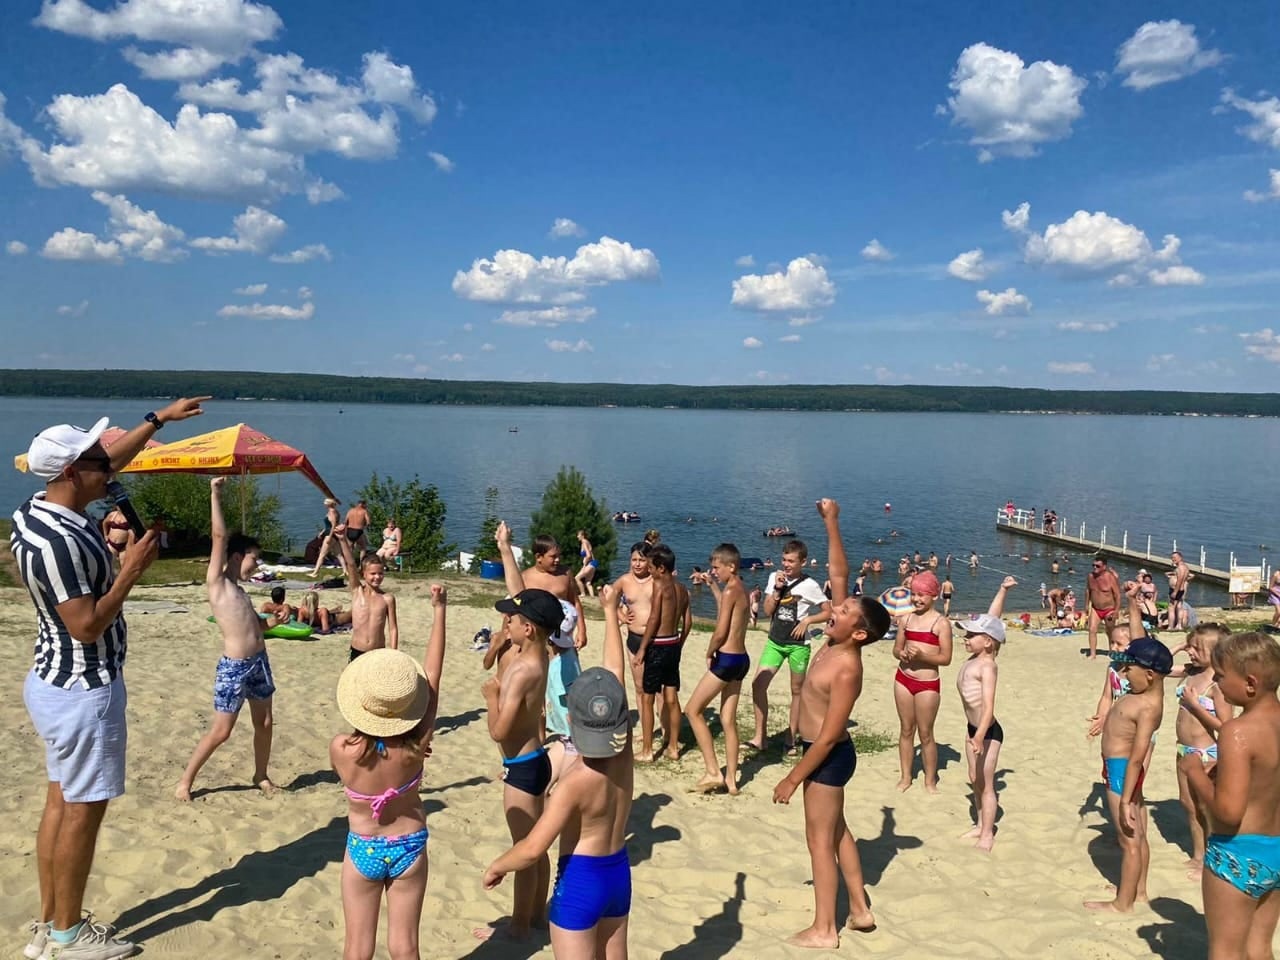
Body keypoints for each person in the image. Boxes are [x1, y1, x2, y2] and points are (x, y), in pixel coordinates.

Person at [13, 397, 207, 960]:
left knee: (60, 803)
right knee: (81, 813)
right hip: (83, 688)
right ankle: (68, 935)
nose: (111, 467)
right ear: (73, 473)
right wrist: (130, 573)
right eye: (97, 461)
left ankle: (49, 924)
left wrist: (157, 420)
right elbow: (86, 626)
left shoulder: (36, 509)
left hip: (53, 680)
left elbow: (107, 461)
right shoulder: (60, 543)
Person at [484, 583, 635, 959]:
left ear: (571, 721)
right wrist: (610, 614)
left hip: (581, 883)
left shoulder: (573, 783)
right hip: (618, 874)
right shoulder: (624, 755)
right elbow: (615, 674)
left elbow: (532, 849)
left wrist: (498, 866)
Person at [771, 498, 885, 949]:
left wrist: (793, 777)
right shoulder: (837, 640)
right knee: (837, 831)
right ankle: (859, 910)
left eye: (844, 611)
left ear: (859, 633)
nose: (834, 609)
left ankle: (824, 929)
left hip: (827, 756)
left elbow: (832, 734)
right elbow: (839, 572)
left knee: (819, 841)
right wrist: (832, 522)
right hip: (820, 753)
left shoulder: (847, 667)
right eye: (841, 605)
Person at [332, 586, 446, 960]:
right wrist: (439, 611)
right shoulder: (416, 746)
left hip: (364, 844)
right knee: (405, 947)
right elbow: (433, 677)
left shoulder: (341, 749)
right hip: (409, 844)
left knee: (357, 948)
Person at [174, 478, 281, 802]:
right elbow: (219, 536)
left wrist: (274, 622)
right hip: (234, 667)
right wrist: (215, 493)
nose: (257, 564)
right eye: (254, 558)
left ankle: (261, 774)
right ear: (236, 556)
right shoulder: (217, 583)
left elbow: (256, 628)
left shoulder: (241, 591)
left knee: (265, 723)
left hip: (259, 662)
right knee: (222, 731)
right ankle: (185, 781)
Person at [1182, 632, 1280, 957]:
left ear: (1250, 683)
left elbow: (1228, 812)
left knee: (1226, 950)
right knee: (1259, 946)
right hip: (1276, 850)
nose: (1217, 683)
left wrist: (1195, 773)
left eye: (1221, 676)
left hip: (1238, 854)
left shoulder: (1236, 731)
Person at [475, 588, 559, 942]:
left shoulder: (523, 669)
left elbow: (499, 731)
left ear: (529, 629)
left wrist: (492, 697)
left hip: (521, 767)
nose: (506, 622)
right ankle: (537, 916)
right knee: (536, 846)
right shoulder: (540, 658)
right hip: (535, 759)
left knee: (524, 849)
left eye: (513, 618)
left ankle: (520, 925)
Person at [1085, 634, 1172, 912]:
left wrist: (1125, 799)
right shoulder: (1140, 694)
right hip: (1118, 768)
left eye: (1129, 668)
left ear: (1149, 674)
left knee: (1129, 839)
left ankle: (1123, 904)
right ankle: (1138, 890)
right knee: (1138, 834)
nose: (1124, 672)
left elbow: (1137, 758)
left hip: (1123, 771)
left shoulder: (1148, 707)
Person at [747, 539, 830, 756]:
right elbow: (767, 611)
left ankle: (791, 738)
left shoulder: (810, 585)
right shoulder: (774, 578)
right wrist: (777, 590)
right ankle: (760, 737)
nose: (786, 564)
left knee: (796, 691)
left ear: (803, 562)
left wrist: (808, 621)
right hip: (775, 642)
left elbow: (828, 611)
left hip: (798, 646)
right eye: (784, 560)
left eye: (791, 561)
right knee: (758, 685)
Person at [684, 543, 749, 795]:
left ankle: (713, 771)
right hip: (741, 659)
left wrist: (710, 651)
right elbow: (727, 609)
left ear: (730, 566)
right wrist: (712, 586)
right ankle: (731, 780)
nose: (714, 571)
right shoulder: (739, 588)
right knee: (728, 720)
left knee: (693, 710)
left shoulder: (731, 589)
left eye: (716, 567)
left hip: (727, 659)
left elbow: (721, 631)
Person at [1170, 623, 1232, 880]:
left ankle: (1211, 857)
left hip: (1206, 754)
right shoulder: (1190, 671)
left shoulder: (1218, 684)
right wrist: (1178, 646)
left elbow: (1225, 727)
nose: (1191, 652)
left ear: (1216, 652)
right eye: (1190, 646)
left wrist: (1196, 707)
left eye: (1197, 648)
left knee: (1206, 808)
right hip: (1183, 751)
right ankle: (1198, 855)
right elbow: (1159, 666)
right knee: (1188, 805)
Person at [892, 570, 952, 793]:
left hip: (927, 684)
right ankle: (906, 776)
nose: (916, 599)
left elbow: (945, 659)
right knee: (906, 730)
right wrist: (902, 654)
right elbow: (896, 649)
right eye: (914, 594)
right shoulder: (906, 619)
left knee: (926, 734)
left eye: (922, 595)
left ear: (934, 596)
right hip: (903, 679)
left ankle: (930, 780)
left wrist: (923, 656)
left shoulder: (940, 623)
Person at [631, 543, 690, 763]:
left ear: (661, 568)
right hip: (673, 644)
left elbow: (654, 618)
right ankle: (673, 747)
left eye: (651, 567)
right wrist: (679, 643)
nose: (649, 570)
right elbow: (688, 622)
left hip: (658, 646)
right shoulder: (682, 589)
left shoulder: (659, 587)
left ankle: (647, 750)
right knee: (671, 697)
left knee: (647, 698)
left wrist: (642, 648)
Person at [955, 611, 1004, 852]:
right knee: (975, 778)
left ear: (987, 641)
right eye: (966, 633)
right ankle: (979, 823)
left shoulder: (988, 667)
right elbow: (993, 615)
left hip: (988, 733)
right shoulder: (971, 660)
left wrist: (979, 736)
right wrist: (1003, 593)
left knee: (986, 784)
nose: (965, 638)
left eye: (971, 635)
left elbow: (988, 707)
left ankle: (987, 834)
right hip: (972, 729)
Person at [496, 525, 587, 650]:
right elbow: (513, 609)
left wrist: (582, 631)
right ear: (539, 557)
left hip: (561, 635)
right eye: (553, 557)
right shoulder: (525, 577)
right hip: (535, 638)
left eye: (559, 556)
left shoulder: (565, 574)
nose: (557, 560)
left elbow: (575, 602)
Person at [338, 532, 398, 661]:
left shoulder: (387, 599)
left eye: (380, 573)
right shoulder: (357, 591)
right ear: (363, 574)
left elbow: (393, 628)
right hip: (357, 650)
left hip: (378, 651)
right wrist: (342, 540)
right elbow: (351, 564)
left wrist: (393, 653)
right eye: (373, 573)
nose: (377, 577)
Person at [614, 541, 655, 704]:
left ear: (649, 561)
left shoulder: (656, 580)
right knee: (640, 687)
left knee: (658, 689)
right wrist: (621, 616)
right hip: (634, 638)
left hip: (655, 639)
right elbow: (610, 598)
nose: (637, 564)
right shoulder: (625, 580)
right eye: (634, 560)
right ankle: (645, 720)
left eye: (642, 560)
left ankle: (662, 719)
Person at [1085, 557, 1121, 660]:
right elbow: (1088, 591)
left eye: (1097, 566)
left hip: (1109, 609)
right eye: (1093, 565)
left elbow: (1117, 595)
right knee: (1092, 629)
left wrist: (1116, 611)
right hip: (1095, 608)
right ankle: (1093, 654)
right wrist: (1086, 605)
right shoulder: (1090, 576)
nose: (1095, 568)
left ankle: (1111, 650)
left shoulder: (1110, 578)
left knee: (1110, 631)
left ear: (1104, 567)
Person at [309, 498, 342, 578]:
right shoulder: (333, 511)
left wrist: (330, 536)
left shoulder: (332, 512)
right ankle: (345, 571)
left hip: (330, 534)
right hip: (330, 533)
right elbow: (328, 525)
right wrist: (322, 532)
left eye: (325, 503)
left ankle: (315, 573)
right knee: (338, 554)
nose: (324, 504)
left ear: (328, 504)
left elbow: (333, 525)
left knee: (322, 554)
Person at [1168, 550, 1190, 632]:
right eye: (1172, 558)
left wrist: (1175, 592)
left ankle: (1170, 626)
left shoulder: (1180, 568)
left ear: (1180, 557)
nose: (1173, 559)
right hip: (1180, 590)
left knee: (1171, 608)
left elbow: (1180, 580)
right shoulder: (1185, 567)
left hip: (1176, 590)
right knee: (1179, 607)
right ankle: (1179, 625)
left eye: (1175, 557)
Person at [574, 530, 598, 598]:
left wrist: (584, 565)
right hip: (594, 563)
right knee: (588, 582)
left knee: (577, 578)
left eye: (578, 535)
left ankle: (583, 593)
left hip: (590, 563)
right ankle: (592, 597)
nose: (577, 536)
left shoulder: (584, 542)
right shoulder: (586, 542)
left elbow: (588, 555)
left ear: (582, 536)